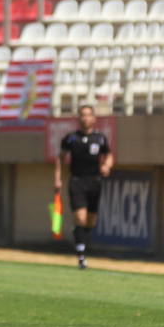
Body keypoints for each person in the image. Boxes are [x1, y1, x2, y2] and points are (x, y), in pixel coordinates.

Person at [54, 104, 114, 270]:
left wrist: (107, 166)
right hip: (77, 181)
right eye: (82, 115)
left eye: (88, 115)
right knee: (80, 217)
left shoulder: (100, 138)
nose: (85, 118)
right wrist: (57, 179)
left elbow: (108, 155)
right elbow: (60, 158)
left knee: (91, 221)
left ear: (94, 118)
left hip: (95, 182)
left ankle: (80, 239)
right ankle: (81, 256)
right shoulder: (71, 138)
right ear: (78, 118)